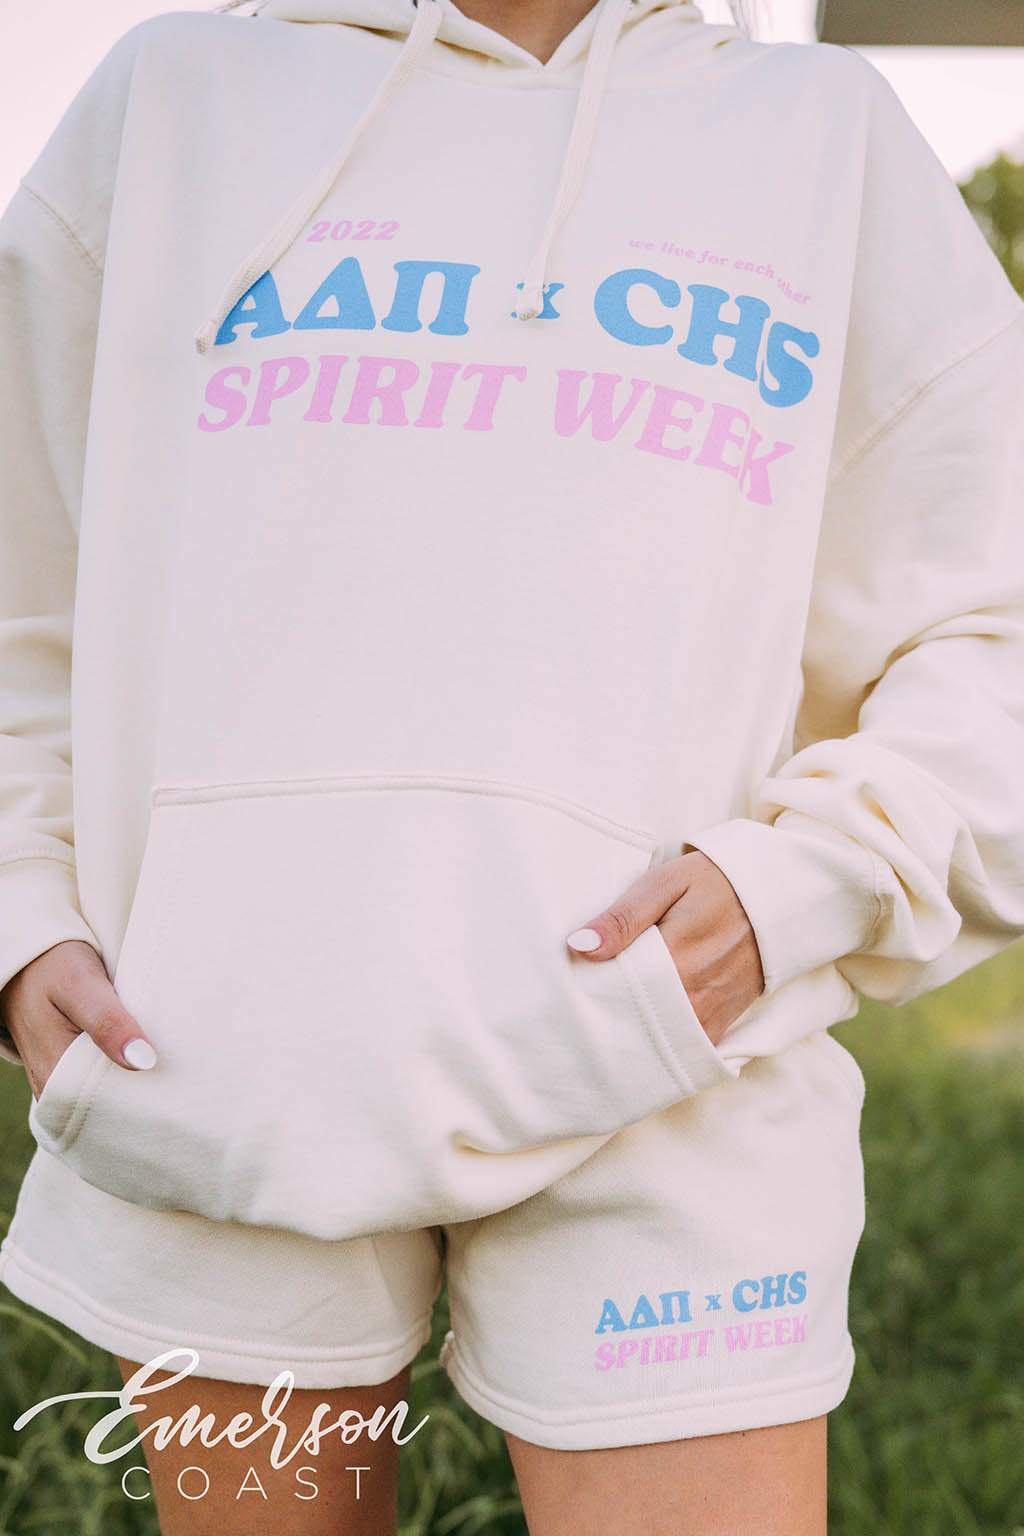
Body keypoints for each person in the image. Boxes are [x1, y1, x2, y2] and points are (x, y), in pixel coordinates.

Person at [1, 0, 1023, 1530]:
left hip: (675, 1077)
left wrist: (797, 893)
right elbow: (22, 579)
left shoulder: (822, 140)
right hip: (215, 1063)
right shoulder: (176, 103)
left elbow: (997, 621)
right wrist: (21, 914)